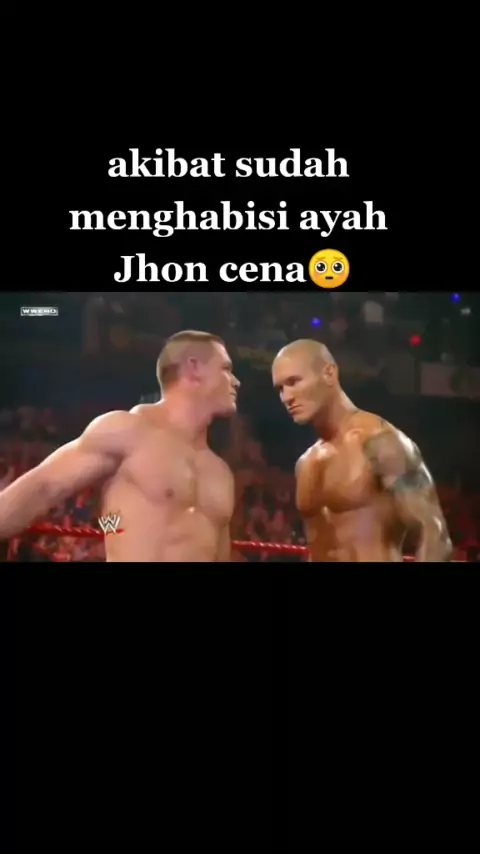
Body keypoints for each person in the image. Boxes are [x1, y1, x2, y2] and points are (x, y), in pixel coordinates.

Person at [0, 331, 240, 562]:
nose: (236, 381)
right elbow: (44, 486)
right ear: (194, 368)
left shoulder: (220, 472)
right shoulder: (128, 431)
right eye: (226, 369)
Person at [271, 339, 452, 562]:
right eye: (280, 388)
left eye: (293, 381)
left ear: (329, 374)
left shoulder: (381, 441)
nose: (287, 397)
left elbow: (435, 535)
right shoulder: (305, 463)